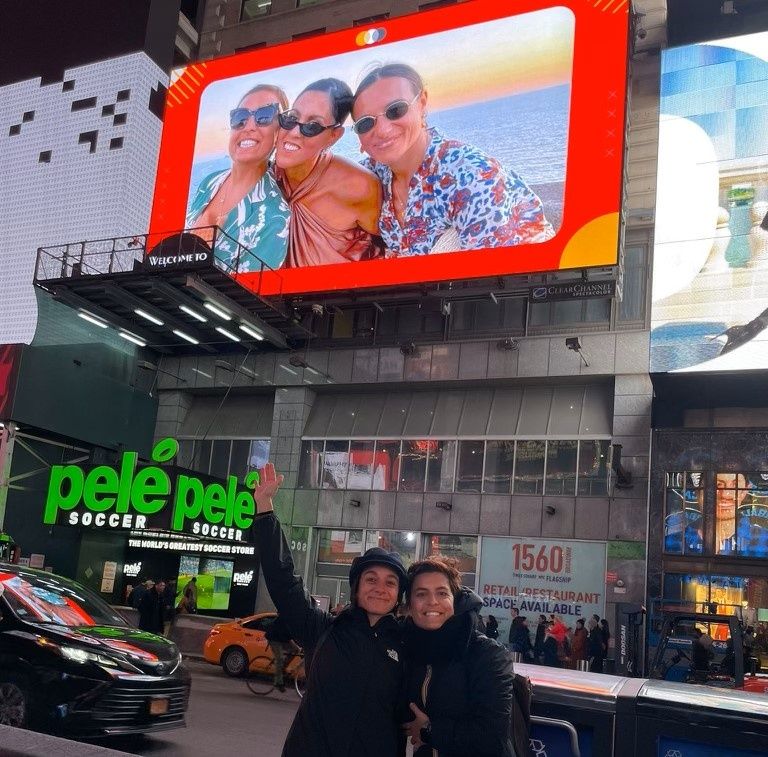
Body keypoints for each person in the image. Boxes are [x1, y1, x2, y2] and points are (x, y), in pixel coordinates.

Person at [252, 463, 407, 757]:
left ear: (399, 594)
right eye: (370, 579)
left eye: (390, 582)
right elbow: (283, 581)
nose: (379, 588)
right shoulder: (322, 629)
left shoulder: (406, 645)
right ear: (356, 588)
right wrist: (264, 509)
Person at [351, 63, 553, 257]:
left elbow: (494, 275)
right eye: (365, 123)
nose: (383, 130)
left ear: (421, 103)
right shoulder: (375, 174)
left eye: (395, 110)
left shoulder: (474, 177)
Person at [401, 555, 515, 757]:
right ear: (409, 604)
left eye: (442, 593)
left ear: (456, 600)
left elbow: (493, 736)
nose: (432, 602)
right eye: (421, 594)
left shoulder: (488, 655)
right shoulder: (404, 649)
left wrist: (430, 730)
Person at [273, 78, 384, 268]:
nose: (293, 133)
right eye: (291, 118)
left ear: (334, 136)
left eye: (312, 126)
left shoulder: (359, 187)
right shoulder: (265, 179)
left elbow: (392, 245)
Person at [186, 83, 291, 272]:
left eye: (264, 116)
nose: (248, 127)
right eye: (240, 117)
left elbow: (246, 293)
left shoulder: (275, 218)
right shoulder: (209, 182)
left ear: (280, 134)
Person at [266, 614, 297, 691]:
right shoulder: (285, 616)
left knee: (296, 650)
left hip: (282, 639)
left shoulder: (292, 617)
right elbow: (287, 634)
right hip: (274, 639)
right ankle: (278, 682)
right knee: (279, 658)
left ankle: (282, 668)